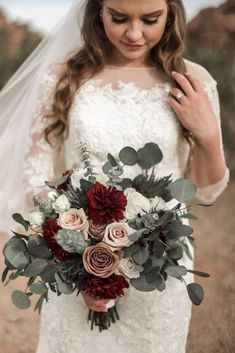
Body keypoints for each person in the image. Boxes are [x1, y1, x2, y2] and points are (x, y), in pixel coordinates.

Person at [0, 0, 230, 352]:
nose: (134, 33)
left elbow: (204, 191)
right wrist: (79, 256)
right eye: (119, 18)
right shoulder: (64, 77)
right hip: (75, 262)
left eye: (150, 19)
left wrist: (209, 136)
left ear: (170, 14)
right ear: (98, 12)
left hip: (161, 266)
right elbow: (35, 173)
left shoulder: (192, 81)